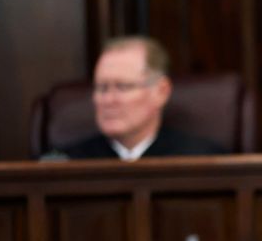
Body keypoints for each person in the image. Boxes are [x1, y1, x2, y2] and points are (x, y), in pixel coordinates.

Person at [58, 36, 224, 160]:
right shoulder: (65, 165)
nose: (108, 100)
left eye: (123, 87)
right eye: (102, 88)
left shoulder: (201, 160)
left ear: (161, 91)